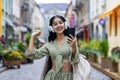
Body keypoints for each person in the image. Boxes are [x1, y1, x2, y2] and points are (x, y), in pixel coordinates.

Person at [26, 15, 80, 80]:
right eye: (55, 24)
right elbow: (33, 54)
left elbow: (76, 60)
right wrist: (32, 37)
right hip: (52, 77)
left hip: (69, 77)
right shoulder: (49, 45)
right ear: (51, 28)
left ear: (65, 24)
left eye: (60, 23)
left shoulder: (71, 40)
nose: (58, 25)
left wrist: (73, 46)